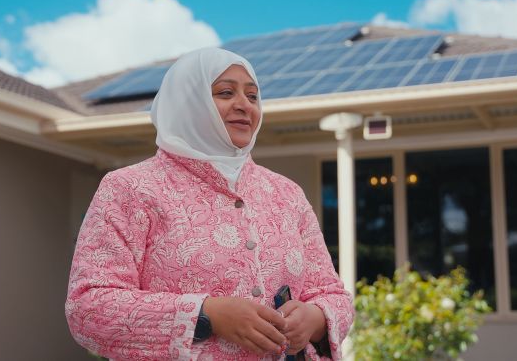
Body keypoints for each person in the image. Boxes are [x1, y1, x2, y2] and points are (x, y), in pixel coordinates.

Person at [65, 47, 354, 360]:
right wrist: (207, 314)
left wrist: (315, 319)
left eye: (253, 96)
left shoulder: (286, 193)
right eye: (226, 92)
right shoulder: (130, 189)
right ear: (188, 101)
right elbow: (88, 307)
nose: (244, 105)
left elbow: (332, 294)